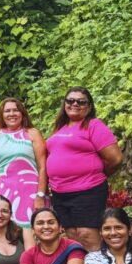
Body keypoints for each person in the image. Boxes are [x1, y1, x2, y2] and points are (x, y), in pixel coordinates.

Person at [47, 88, 123, 251]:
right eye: (70, 100)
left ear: (89, 106)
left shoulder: (94, 125)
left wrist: (95, 174)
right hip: (60, 193)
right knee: (72, 236)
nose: (75, 104)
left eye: (81, 102)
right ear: (64, 104)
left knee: (87, 234)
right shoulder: (60, 127)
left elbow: (115, 158)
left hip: (87, 190)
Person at [0, 97, 48, 234]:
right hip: (2, 191)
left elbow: (43, 167)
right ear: (2, 114)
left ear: (22, 113)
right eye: (7, 111)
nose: (11, 114)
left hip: (30, 193)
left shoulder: (32, 133)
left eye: (15, 110)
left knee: (30, 232)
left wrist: (40, 195)